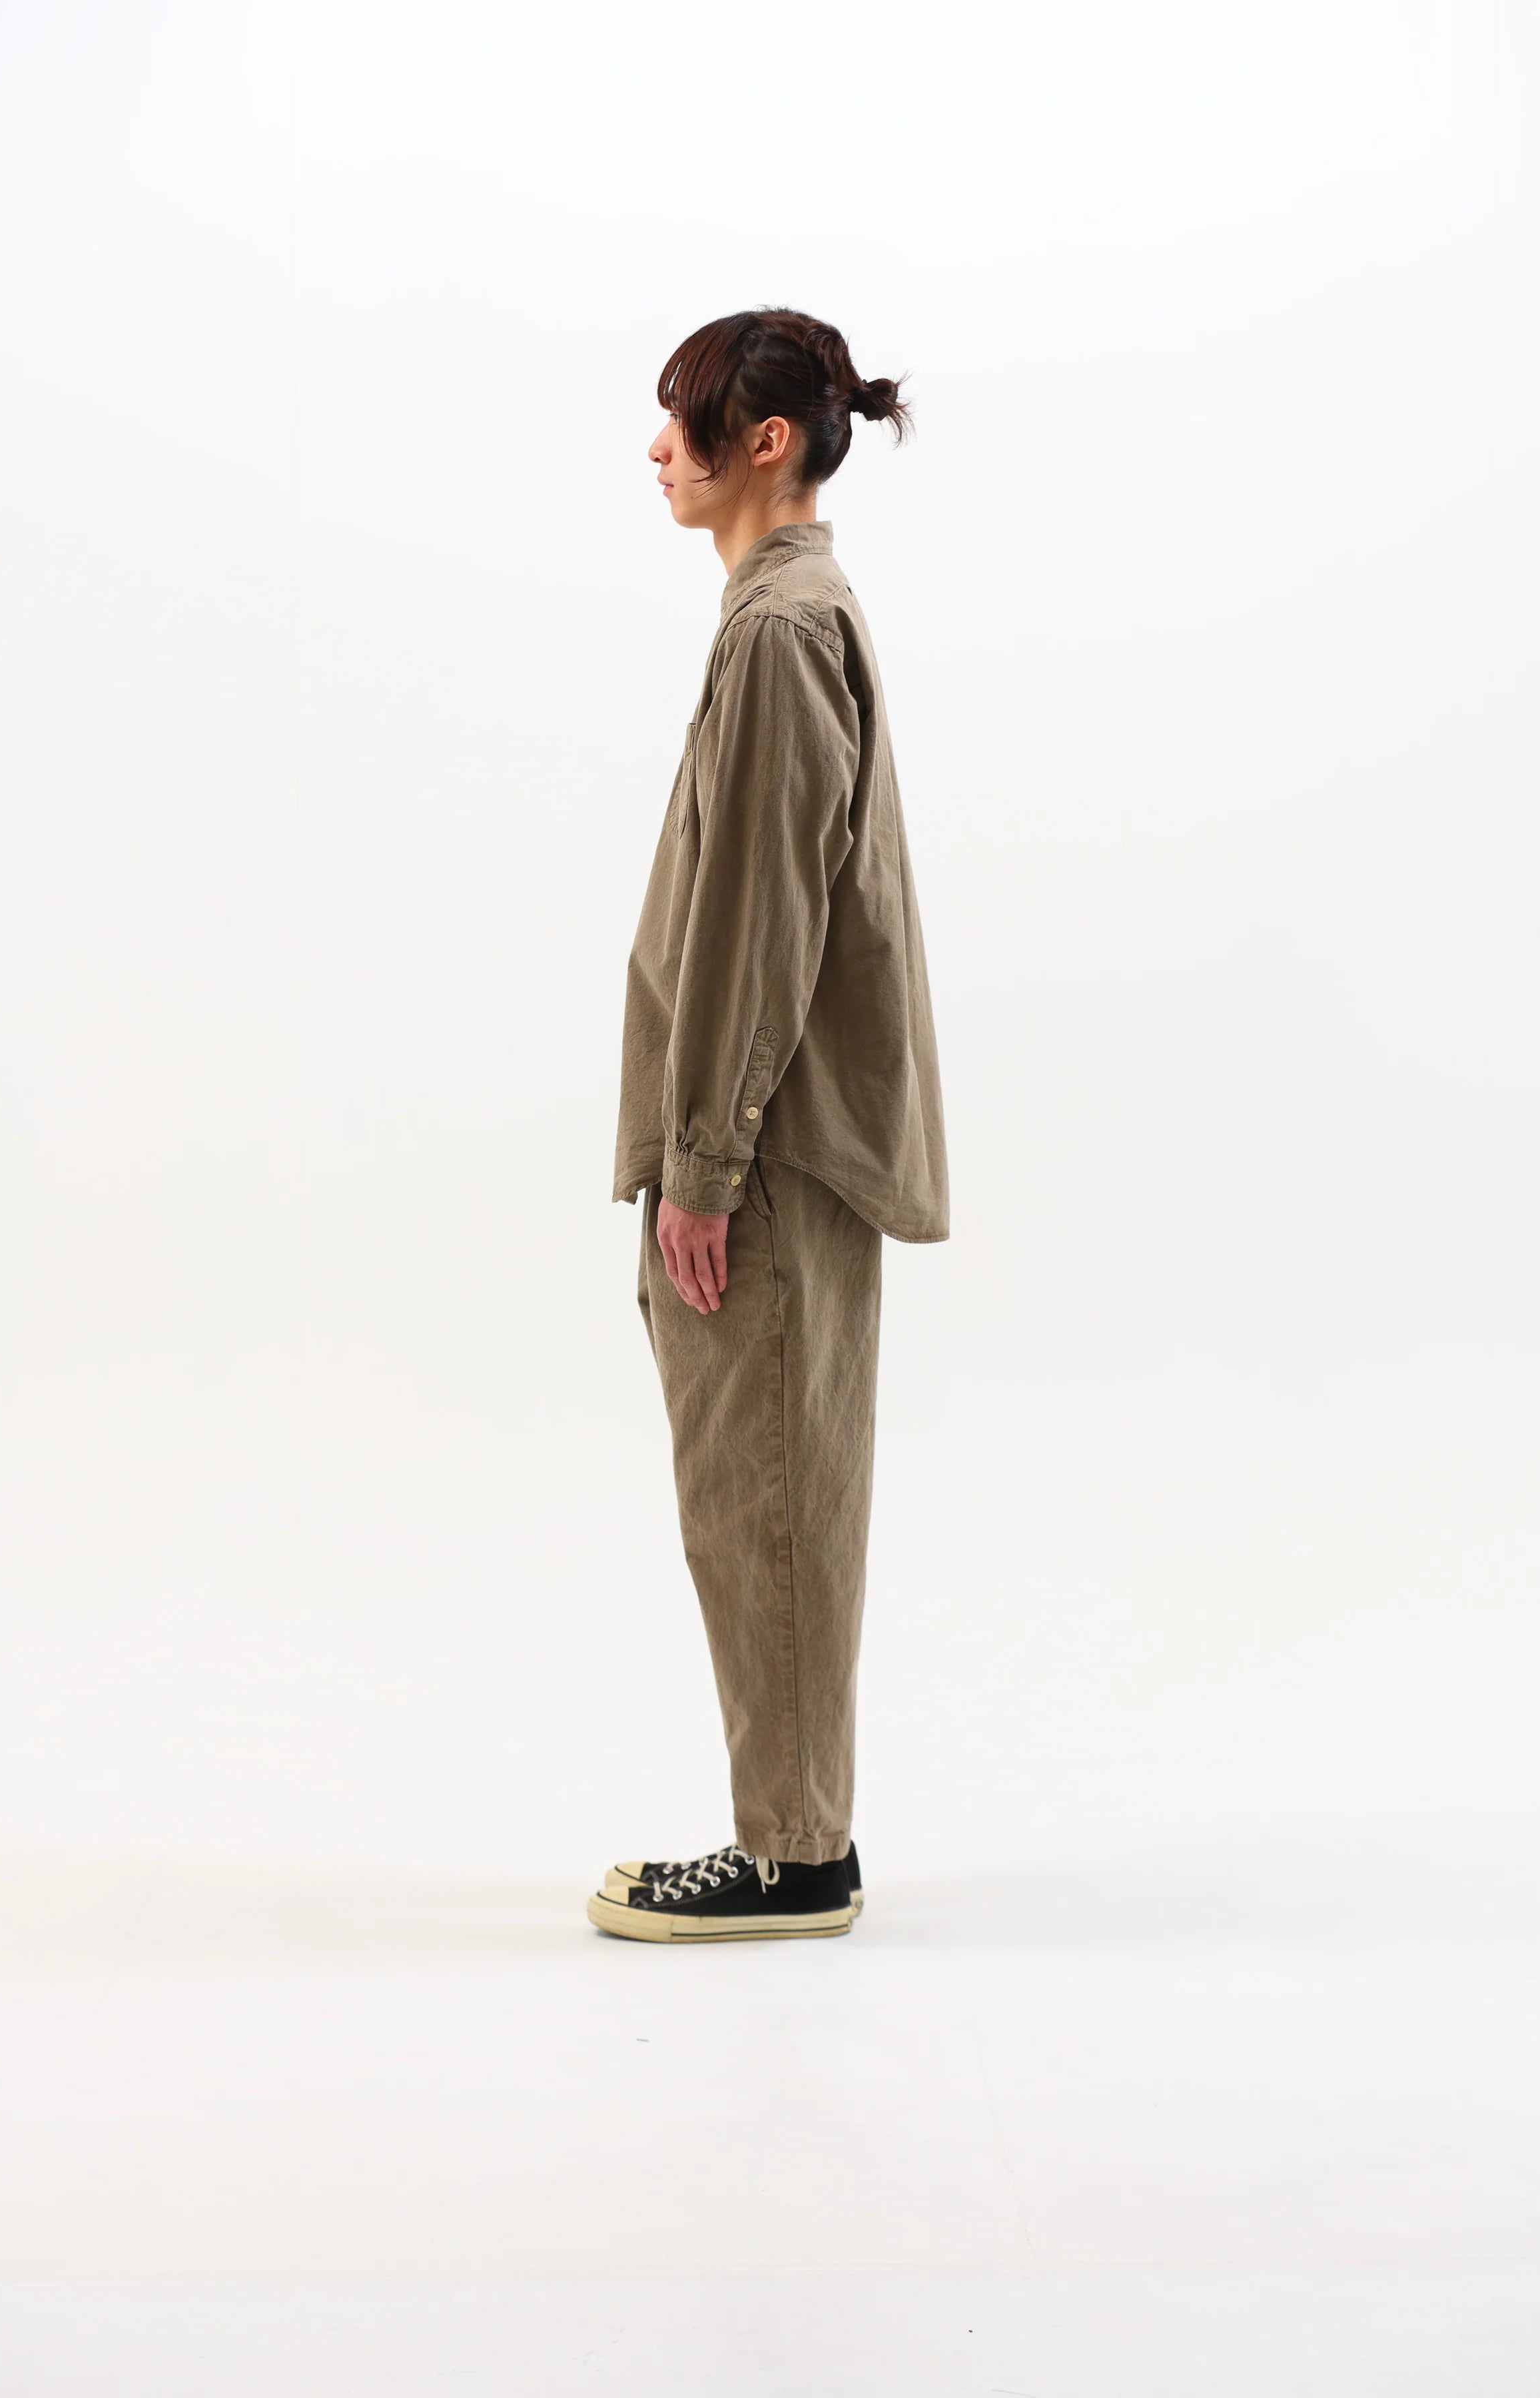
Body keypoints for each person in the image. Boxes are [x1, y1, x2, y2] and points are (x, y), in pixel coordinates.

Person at [587, 307, 949, 1943]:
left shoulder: (783, 632)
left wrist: (706, 1167)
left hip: (768, 1163)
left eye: (687, 421)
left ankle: (795, 1857)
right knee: (763, 1491)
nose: (660, 450)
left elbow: (760, 922)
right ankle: (798, 1836)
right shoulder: (784, 616)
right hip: (773, 1148)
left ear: (768, 443)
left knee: (769, 1497)